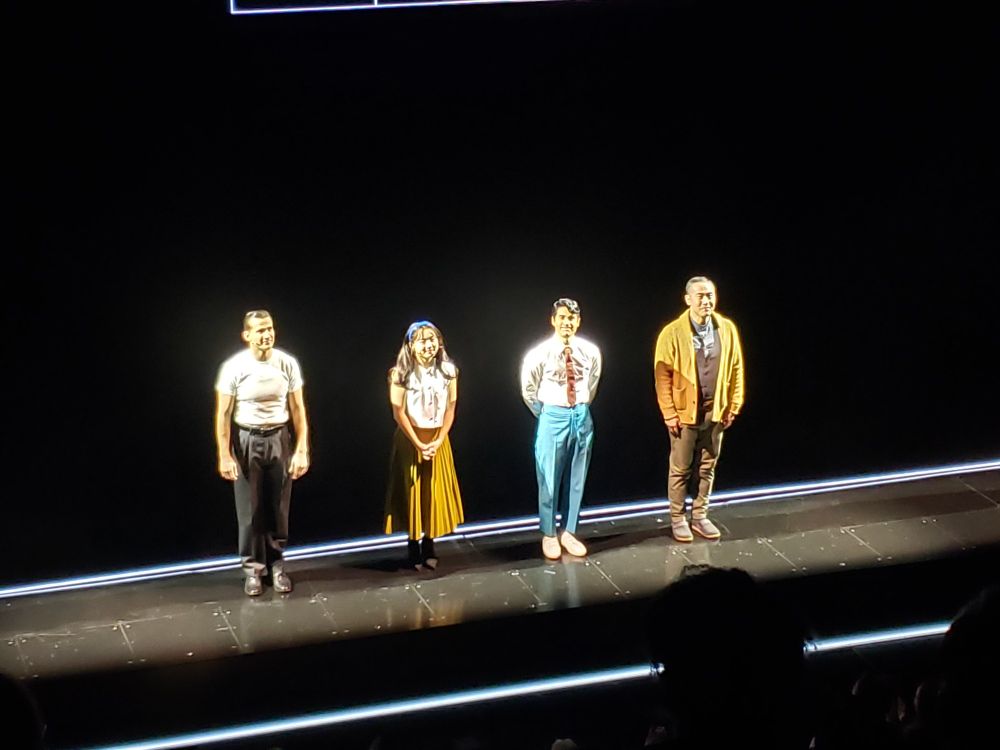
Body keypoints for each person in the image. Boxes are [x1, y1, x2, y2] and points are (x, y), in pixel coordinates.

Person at [215, 310, 310, 596]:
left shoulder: (287, 363)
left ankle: (277, 565)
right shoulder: (233, 367)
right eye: (259, 330)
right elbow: (223, 414)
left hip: (278, 437)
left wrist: (302, 447)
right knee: (250, 511)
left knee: (278, 508)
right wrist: (224, 453)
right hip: (247, 439)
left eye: (269, 329)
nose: (266, 334)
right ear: (247, 335)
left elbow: (297, 409)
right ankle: (253, 569)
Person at [653, 276, 744, 543]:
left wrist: (733, 405)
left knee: (707, 466)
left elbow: (736, 367)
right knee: (681, 467)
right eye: (701, 296)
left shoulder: (726, 328)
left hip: (715, 411)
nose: (706, 301)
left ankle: (700, 515)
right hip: (684, 413)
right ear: (688, 299)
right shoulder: (672, 332)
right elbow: (662, 376)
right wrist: (669, 412)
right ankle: (678, 518)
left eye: (710, 295)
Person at [521, 298, 602, 560]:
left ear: (578, 322)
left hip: (580, 413)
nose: (567, 322)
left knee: (577, 476)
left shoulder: (590, 351)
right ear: (553, 320)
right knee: (549, 476)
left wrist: (580, 407)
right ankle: (549, 533)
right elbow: (528, 389)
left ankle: (569, 530)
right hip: (552, 414)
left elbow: (592, 383)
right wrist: (547, 412)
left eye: (572, 318)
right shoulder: (538, 353)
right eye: (563, 317)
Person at [385, 321, 464, 571]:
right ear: (411, 345)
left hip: (437, 437)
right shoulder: (399, 374)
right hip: (411, 439)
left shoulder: (449, 371)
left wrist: (439, 439)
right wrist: (418, 443)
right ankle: (412, 544)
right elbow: (399, 412)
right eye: (422, 340)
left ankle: (430, 543)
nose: (428, 345)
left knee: (433, 492)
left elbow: (451, 407)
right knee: (412, 491)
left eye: (432, 339)